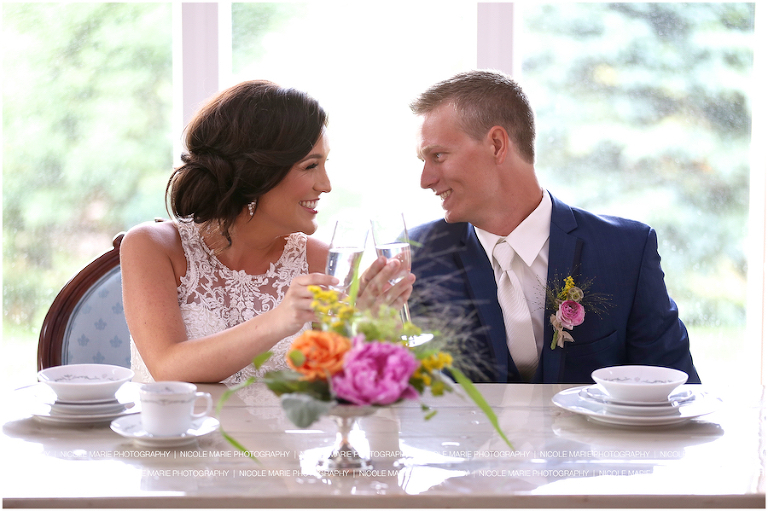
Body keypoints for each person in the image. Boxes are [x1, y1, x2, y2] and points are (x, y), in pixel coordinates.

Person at [408, 70, 700, 384]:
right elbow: (391, 398)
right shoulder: (418, 258)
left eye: (438, 155)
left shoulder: (626, 251)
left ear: (496, 144)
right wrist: (365, 328)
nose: (425, 180)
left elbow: (678, 391)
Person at [121, 80, 413, 385]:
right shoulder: (152, 247)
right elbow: (168, 367)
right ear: (258, 172)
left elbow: (353, 392)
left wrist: (373, 329)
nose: (325, 185)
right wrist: (281, 319)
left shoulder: (320, 260)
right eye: (311, 166)